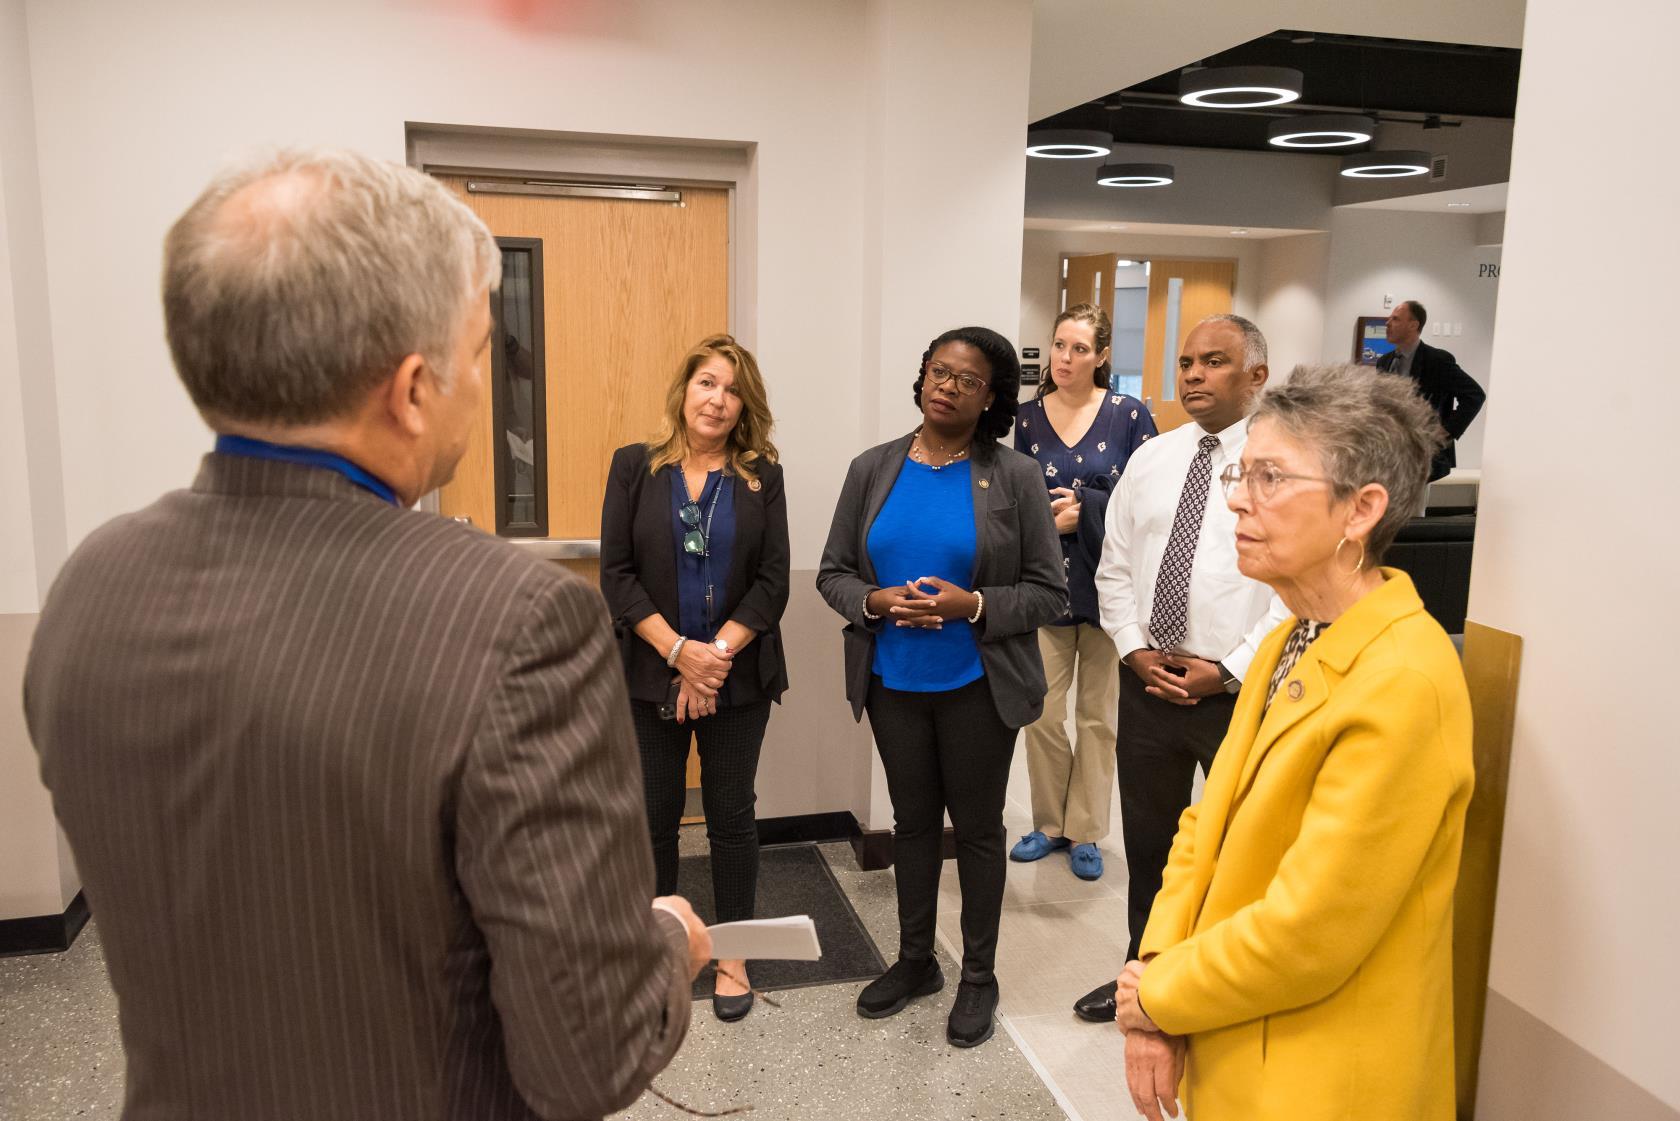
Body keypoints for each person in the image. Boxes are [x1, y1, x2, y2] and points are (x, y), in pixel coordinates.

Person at [22, 149, 710, 1121]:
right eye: (482, 350)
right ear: (414, 389)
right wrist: (665, 945)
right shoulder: (516, 620)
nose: (485, 379)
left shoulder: (90, 586)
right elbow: (586, 1057)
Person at [1113, 363, 1472, 1121]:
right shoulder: (1291, 637)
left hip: (1326, 1074)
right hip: (1237, 1030)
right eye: (1242, 473)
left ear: (1361, 509)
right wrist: (1155, 966)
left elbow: (1310, 930)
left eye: (1270, 477)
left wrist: (1161, 996)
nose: (1236, 498)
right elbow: (1206, 826)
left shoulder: (1404, 679)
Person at [817, 326, 1065, 1048]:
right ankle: (916, 960)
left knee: (978, 831)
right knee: (913, 824)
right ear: (923, 375)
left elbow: (1048, 591)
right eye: (939, 371)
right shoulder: (873, 468)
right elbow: (834, 572)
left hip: (978, 684)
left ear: (991, 398)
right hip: (893, 679)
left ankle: (978, 976)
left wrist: (973, 605)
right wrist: (874, 601)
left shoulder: (1014, 476)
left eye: (968, 380)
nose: (948, 386)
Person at [1072, 314, 1288, 1024]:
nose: (1193, 374)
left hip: (1239, 695)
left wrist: (1227, 670)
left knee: (1237, 849)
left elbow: (1292, 590)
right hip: (1148, 686)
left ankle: (1222, 989)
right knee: (1150, 844)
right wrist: (1133, 650)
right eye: (1187, 362)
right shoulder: (1154, 458)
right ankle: (1145, 977)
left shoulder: (1283, 465)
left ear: (1257, 375)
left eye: (1214, 361)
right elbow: (1114, 567)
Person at [600, 333, 789, 1023]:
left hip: (737, 678)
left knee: (731, 817)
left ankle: (733, 955)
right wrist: (681, 652)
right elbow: (617, 575)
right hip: (652, 674)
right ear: (684, 390)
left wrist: (711, 660)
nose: (718, 399)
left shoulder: (762, 476)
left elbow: (772, 582)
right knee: (654, 820)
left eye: (733, 390)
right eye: (707, 382)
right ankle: (661, 955)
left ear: (746, 406)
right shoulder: (634, 466)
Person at [1009, 303, 1156, 881]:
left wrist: (1087, 509)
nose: (1065, 359)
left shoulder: (1129, 415)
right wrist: (1048, 522)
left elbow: (1151, 499)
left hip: (1109, 590)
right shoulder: (1024, 419)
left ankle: (1086, 830)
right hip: (1043, 587)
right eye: (1059, 346)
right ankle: (1049, 823)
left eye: (1079, 349)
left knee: (1099, 717)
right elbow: (1008, 498)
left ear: (1102, 356)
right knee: (1042, 713)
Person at [1376, 299, 1486, 482]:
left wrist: (1446, 431)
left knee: (1413, 501)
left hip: (1422, 456)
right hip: (1389, 454)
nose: (1387, 323)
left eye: (1395, 319)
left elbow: (1474, 395)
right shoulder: (1384, 361)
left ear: (1413, 325)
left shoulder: (1437, 360)